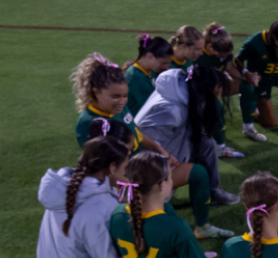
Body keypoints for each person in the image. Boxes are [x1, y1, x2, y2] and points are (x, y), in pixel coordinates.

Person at [71, 53, 228, 238]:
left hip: (143, 170)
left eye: (124, 96)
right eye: (115, 96)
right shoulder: (88, 123)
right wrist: (147, 182)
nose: (122, 101)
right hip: (125, 183)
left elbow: (137, 134)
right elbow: (104, 169)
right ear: (96, 92)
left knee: (198, 173)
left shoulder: (119, 109)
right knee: (166, 212)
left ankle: (202, 228)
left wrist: (162, 152)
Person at [135, 64, 240, 209]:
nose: (220, 93)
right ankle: (150, 199)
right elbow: (145, 148)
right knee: (199, 172)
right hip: (146, 171)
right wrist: (166, 163)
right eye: (218, 88)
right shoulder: (170, 110)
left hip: (170, 152)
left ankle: (212, 192)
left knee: (207, 143)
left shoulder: (187, 89)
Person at [195, 23, 243, 159]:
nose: (223, 57)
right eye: (221, 55)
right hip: (198, 89)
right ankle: (219, 149)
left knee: (246, 85)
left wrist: (244, 77)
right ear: (210, 47)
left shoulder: (222, 49)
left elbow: (229, 66)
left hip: (214, 86)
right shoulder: (198, 55)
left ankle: (249, 127)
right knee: (216, 109)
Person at [124, 34, 173, 117]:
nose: (167, 67)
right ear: (150, 56)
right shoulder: (136, 77)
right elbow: (153, 107)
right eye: (164, 63)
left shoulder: (150, 70)